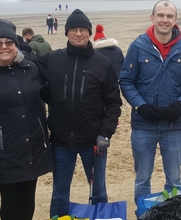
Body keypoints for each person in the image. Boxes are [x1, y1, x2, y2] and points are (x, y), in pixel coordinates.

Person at [119, 0, 181, 216]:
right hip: (143, 125)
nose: (165, 19)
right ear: (152, 18)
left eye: (169, 16)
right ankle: (142, 215)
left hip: (174, 126)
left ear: (175, 19)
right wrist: (141, 106)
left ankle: (173, 215)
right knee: (142, 178)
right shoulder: (138, 45)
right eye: (160, 15)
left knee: (174, 179)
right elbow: (126, 80)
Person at [36, 9, 122, 217]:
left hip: (94, 141)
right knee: (59, 194)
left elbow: (114, 103)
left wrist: (105, 133)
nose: (78, 33)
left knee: (98, 191)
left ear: (90, 33)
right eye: (73, 29)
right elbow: (29, 66)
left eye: (83, 29)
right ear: (66, 33)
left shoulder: (103, 63)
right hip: (61, 141)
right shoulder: (53, 59)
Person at [0, 18, 52, 220]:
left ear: (16, 45)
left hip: (33, 147)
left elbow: (50, 93)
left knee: (27, 201)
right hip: (5, 151)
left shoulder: (30, 68)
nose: (4, 47)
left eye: (9, 42)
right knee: (10, 203)